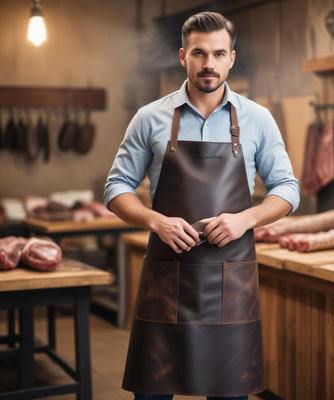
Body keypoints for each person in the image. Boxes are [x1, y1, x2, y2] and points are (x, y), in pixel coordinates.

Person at [104, 11, 300, 400]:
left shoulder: (258, 119)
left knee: (230, 393)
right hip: (166, 279)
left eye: (217, 53)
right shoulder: (149, 118)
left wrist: (245, 219)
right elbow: (116, 187)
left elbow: (287, 189)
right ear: (183, 56)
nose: (208, 64)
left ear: (231, 57)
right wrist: (155, 221)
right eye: (199, 53)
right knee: (152, 393)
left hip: (232, 282)